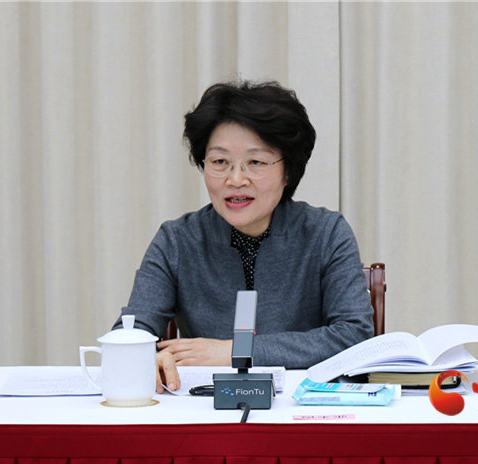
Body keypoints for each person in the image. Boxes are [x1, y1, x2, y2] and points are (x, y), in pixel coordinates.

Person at [114, 80, 373, 393]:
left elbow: (354, 336)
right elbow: (131, 333)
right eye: (220, 162)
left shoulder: (326, 233)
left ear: (288, 171)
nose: (235, 180)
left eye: (256, 162)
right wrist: (145, 356)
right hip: (204, 405)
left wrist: (237, 351)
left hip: (301, 405)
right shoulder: (177, 240)